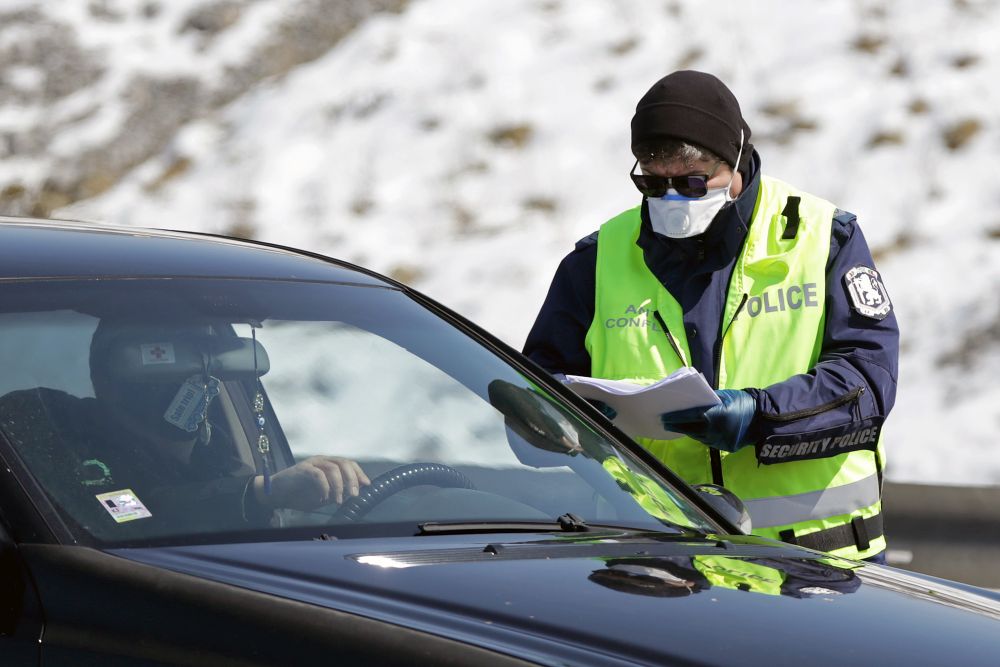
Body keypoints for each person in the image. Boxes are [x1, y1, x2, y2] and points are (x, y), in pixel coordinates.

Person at [523, 70, 898, 562]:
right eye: (654, 184)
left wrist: (760, 415)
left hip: (819, 567)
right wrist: (572, 420)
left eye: (695, 182)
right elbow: (533, 393)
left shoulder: (823, 238)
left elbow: (869, 380)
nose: (674, 198)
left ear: (738, 162)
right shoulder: (596, 261)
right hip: (656, 569)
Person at [0, 319, 369, 537]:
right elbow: (124, 517)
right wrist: (262, 492)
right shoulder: (56, 431)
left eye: (210, 372)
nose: (199, 384)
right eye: (173, 365)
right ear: (109, 374)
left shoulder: (223, 460)